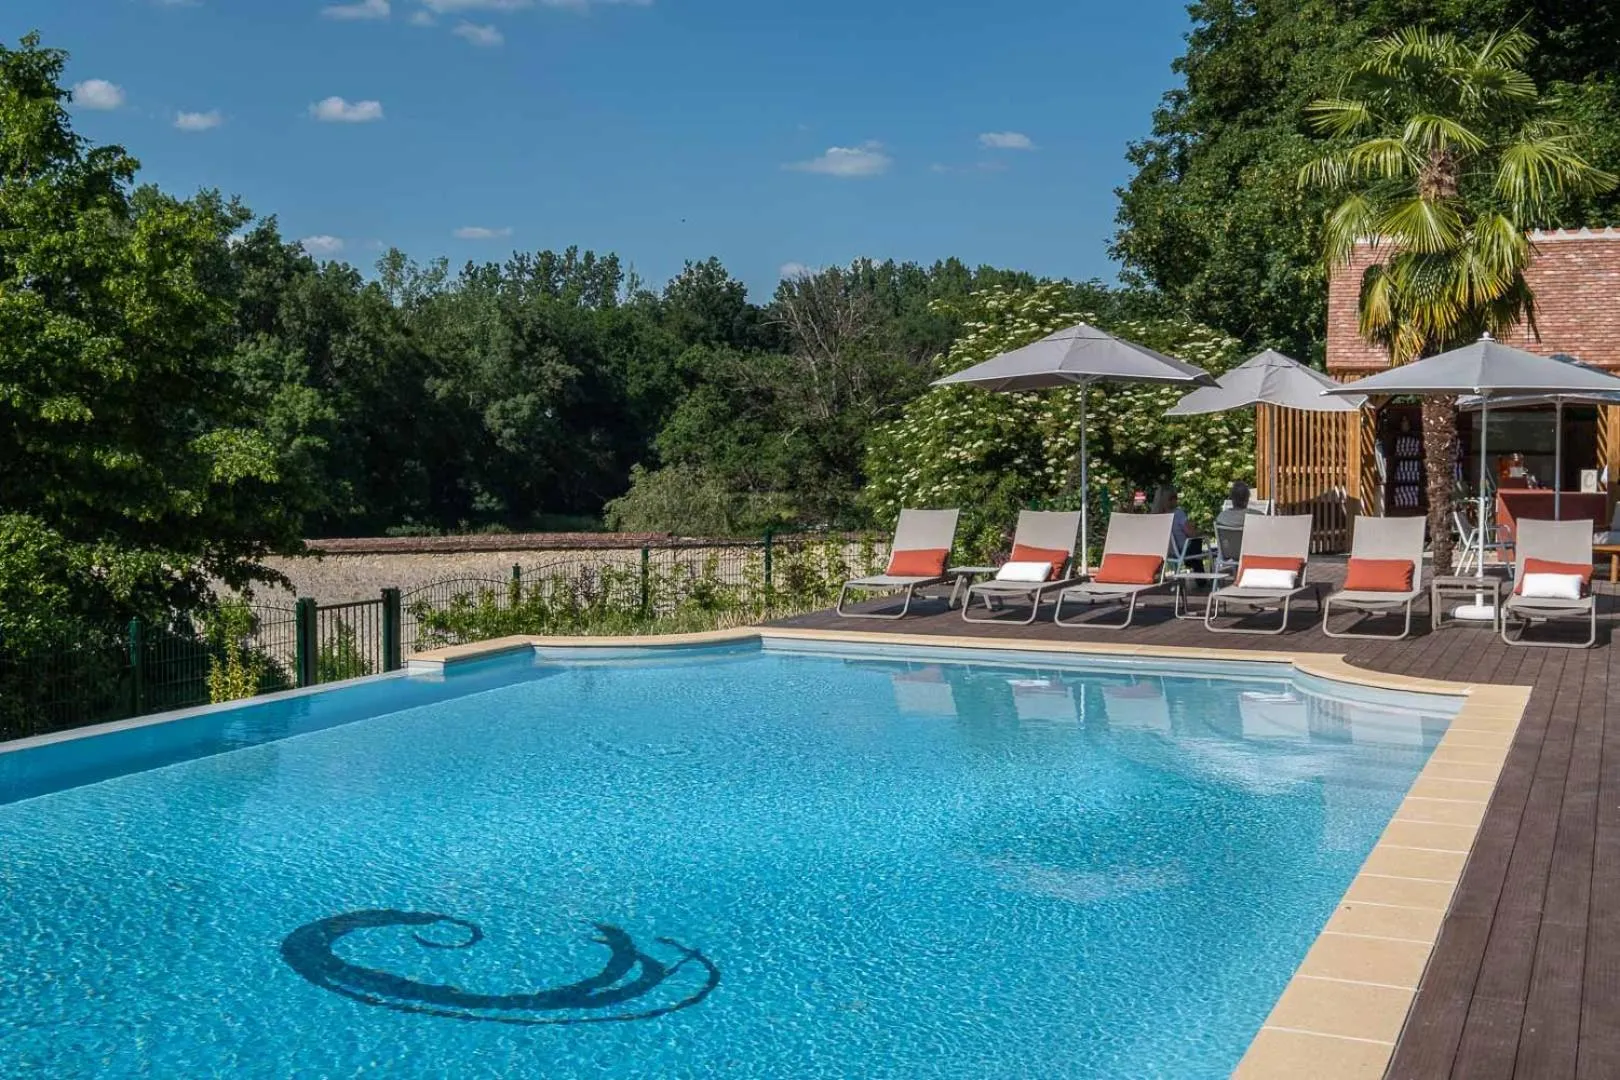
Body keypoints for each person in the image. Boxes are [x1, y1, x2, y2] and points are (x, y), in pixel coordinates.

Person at [1151, 484, 1205, 570]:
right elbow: (1191, 533)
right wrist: (1203, 531)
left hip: (1168, 552)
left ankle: (1194, 568)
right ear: (1170, 500)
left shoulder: (1156, 518)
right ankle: (1200, 578)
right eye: (1175, 497)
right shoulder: (1178, 513)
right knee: (1198, 539)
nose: (1177, 500)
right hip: (1183, 550)